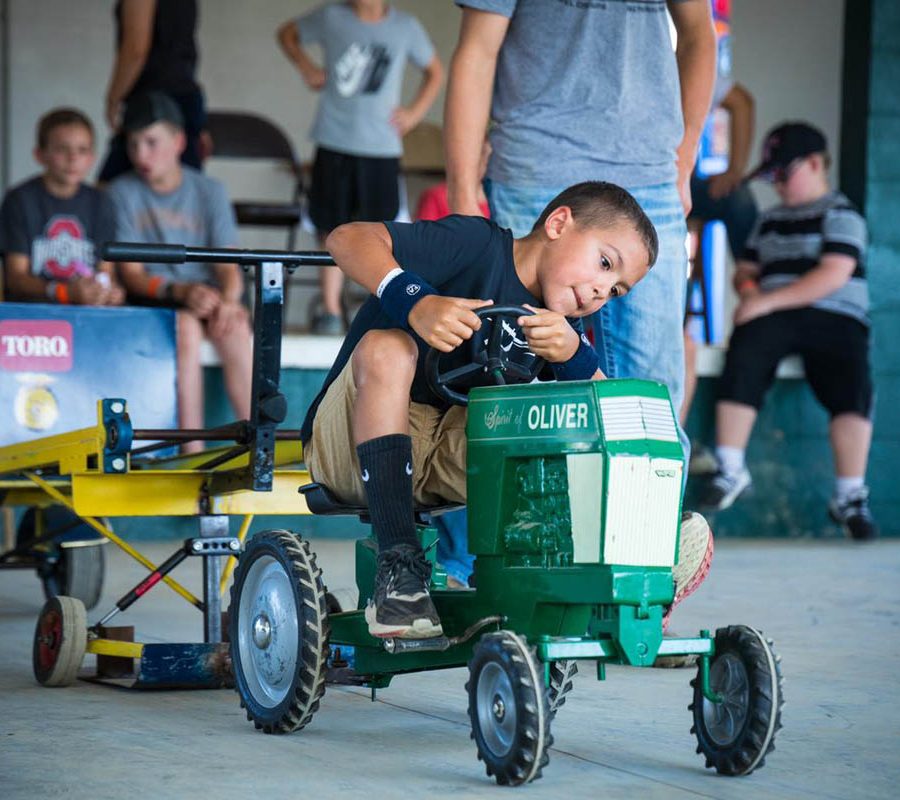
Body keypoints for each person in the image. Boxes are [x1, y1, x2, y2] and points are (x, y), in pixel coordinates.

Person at [300, 181, 711, 639]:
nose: (601, 291)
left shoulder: (561, 324)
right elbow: (346, 237)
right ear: (558, 223)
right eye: (604, 263)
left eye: (616, 290)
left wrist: (573, 355)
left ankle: (611, 579)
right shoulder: (477, 245)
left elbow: (607, 413)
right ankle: (399, 571)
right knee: (388, 347)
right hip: (350, 448)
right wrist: (415, 302)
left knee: (559, 421)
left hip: (443, 460)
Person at [444, 0, 717, 461]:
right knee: (494, 381)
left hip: (649, 177)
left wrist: (685, 155)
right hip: (535, 170)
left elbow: (698, 34)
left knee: (651, 394)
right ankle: (491, 535)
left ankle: (644, 532)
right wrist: (461, 187)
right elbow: (477, 51)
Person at [700, 122, 878, 541]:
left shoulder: (842, 214)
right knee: (746, 348)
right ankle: (731, 467)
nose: (777, 183)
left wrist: (764, 301)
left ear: (816, 164)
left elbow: (834, 273)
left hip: (834, 315)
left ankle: (850, 495)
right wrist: (748, 291)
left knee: (851, 376)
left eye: (784, 172)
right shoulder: (770, 220)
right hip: (773, 317)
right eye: (772, 175)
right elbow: (745, 270)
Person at [276, 0, 443, 335]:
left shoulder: (405, 27)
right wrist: (306, 67)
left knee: (380, 229)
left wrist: (413, 114)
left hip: (380, 147)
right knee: (330, 224)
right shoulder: (332, 16)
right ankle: (330, 308)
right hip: (334, 140)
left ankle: (375, 308)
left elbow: (435, 72)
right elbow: (288, 34)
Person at [108, 92, 252, 450]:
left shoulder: (209, 190)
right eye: (134, 144)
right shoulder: (120, 193)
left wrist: (230, 301)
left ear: (178, 142)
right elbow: (131, 274)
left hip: (208, 297)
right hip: (154, 299)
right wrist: (181, 293)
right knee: (184, 328)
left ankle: (259, 443)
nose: (142, 154)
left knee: (236, 328)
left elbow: (227, 263)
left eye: (152, 142)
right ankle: (193, 449)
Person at [1, 108, 123, 306]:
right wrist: (64, 292)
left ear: (92, 157)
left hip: (86, 312)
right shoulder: (20, 200)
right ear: (40, 154)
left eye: (82, 150)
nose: (73, 158)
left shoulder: (101, 202)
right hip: (32, 316)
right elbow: (16, 277)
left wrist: (109, 292)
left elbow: (106, 272)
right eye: (61, 149)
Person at [100, 0, 208, 182]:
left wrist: (113, 98)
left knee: (110, 191)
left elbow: (136, 50)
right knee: (182, 191)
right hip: (186, 96)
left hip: (152, 102)